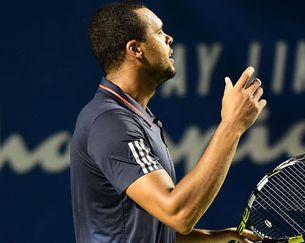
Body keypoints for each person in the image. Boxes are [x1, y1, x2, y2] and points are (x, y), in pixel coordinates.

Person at [70, 1, 266, 242]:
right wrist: (232, 126)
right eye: (159, 32)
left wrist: (216, 238)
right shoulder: (110, 123)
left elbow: (149, 231)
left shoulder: (134, 118)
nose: (169, 38)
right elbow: (178, 214)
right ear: (135, 49)